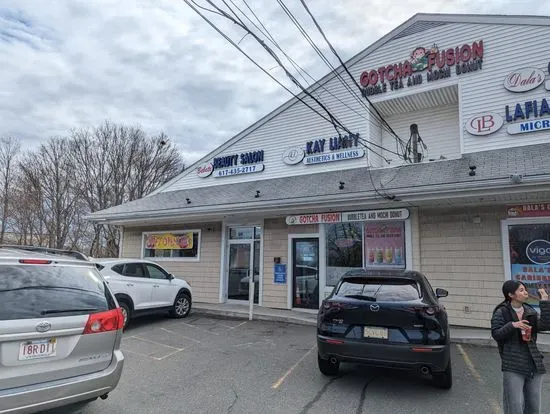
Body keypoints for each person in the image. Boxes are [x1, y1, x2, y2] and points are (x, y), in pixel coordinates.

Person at [491, 281, 550, 414]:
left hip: (534, 363)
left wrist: (545, 301)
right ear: (511, 294)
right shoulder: (502, 312)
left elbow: (545, 325)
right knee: (514, 406)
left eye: (525, 289)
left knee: (534, 407)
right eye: (521, 290)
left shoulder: (530, 311)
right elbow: (496, 334)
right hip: (513, 364)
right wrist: (513, 325)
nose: (525, 292)